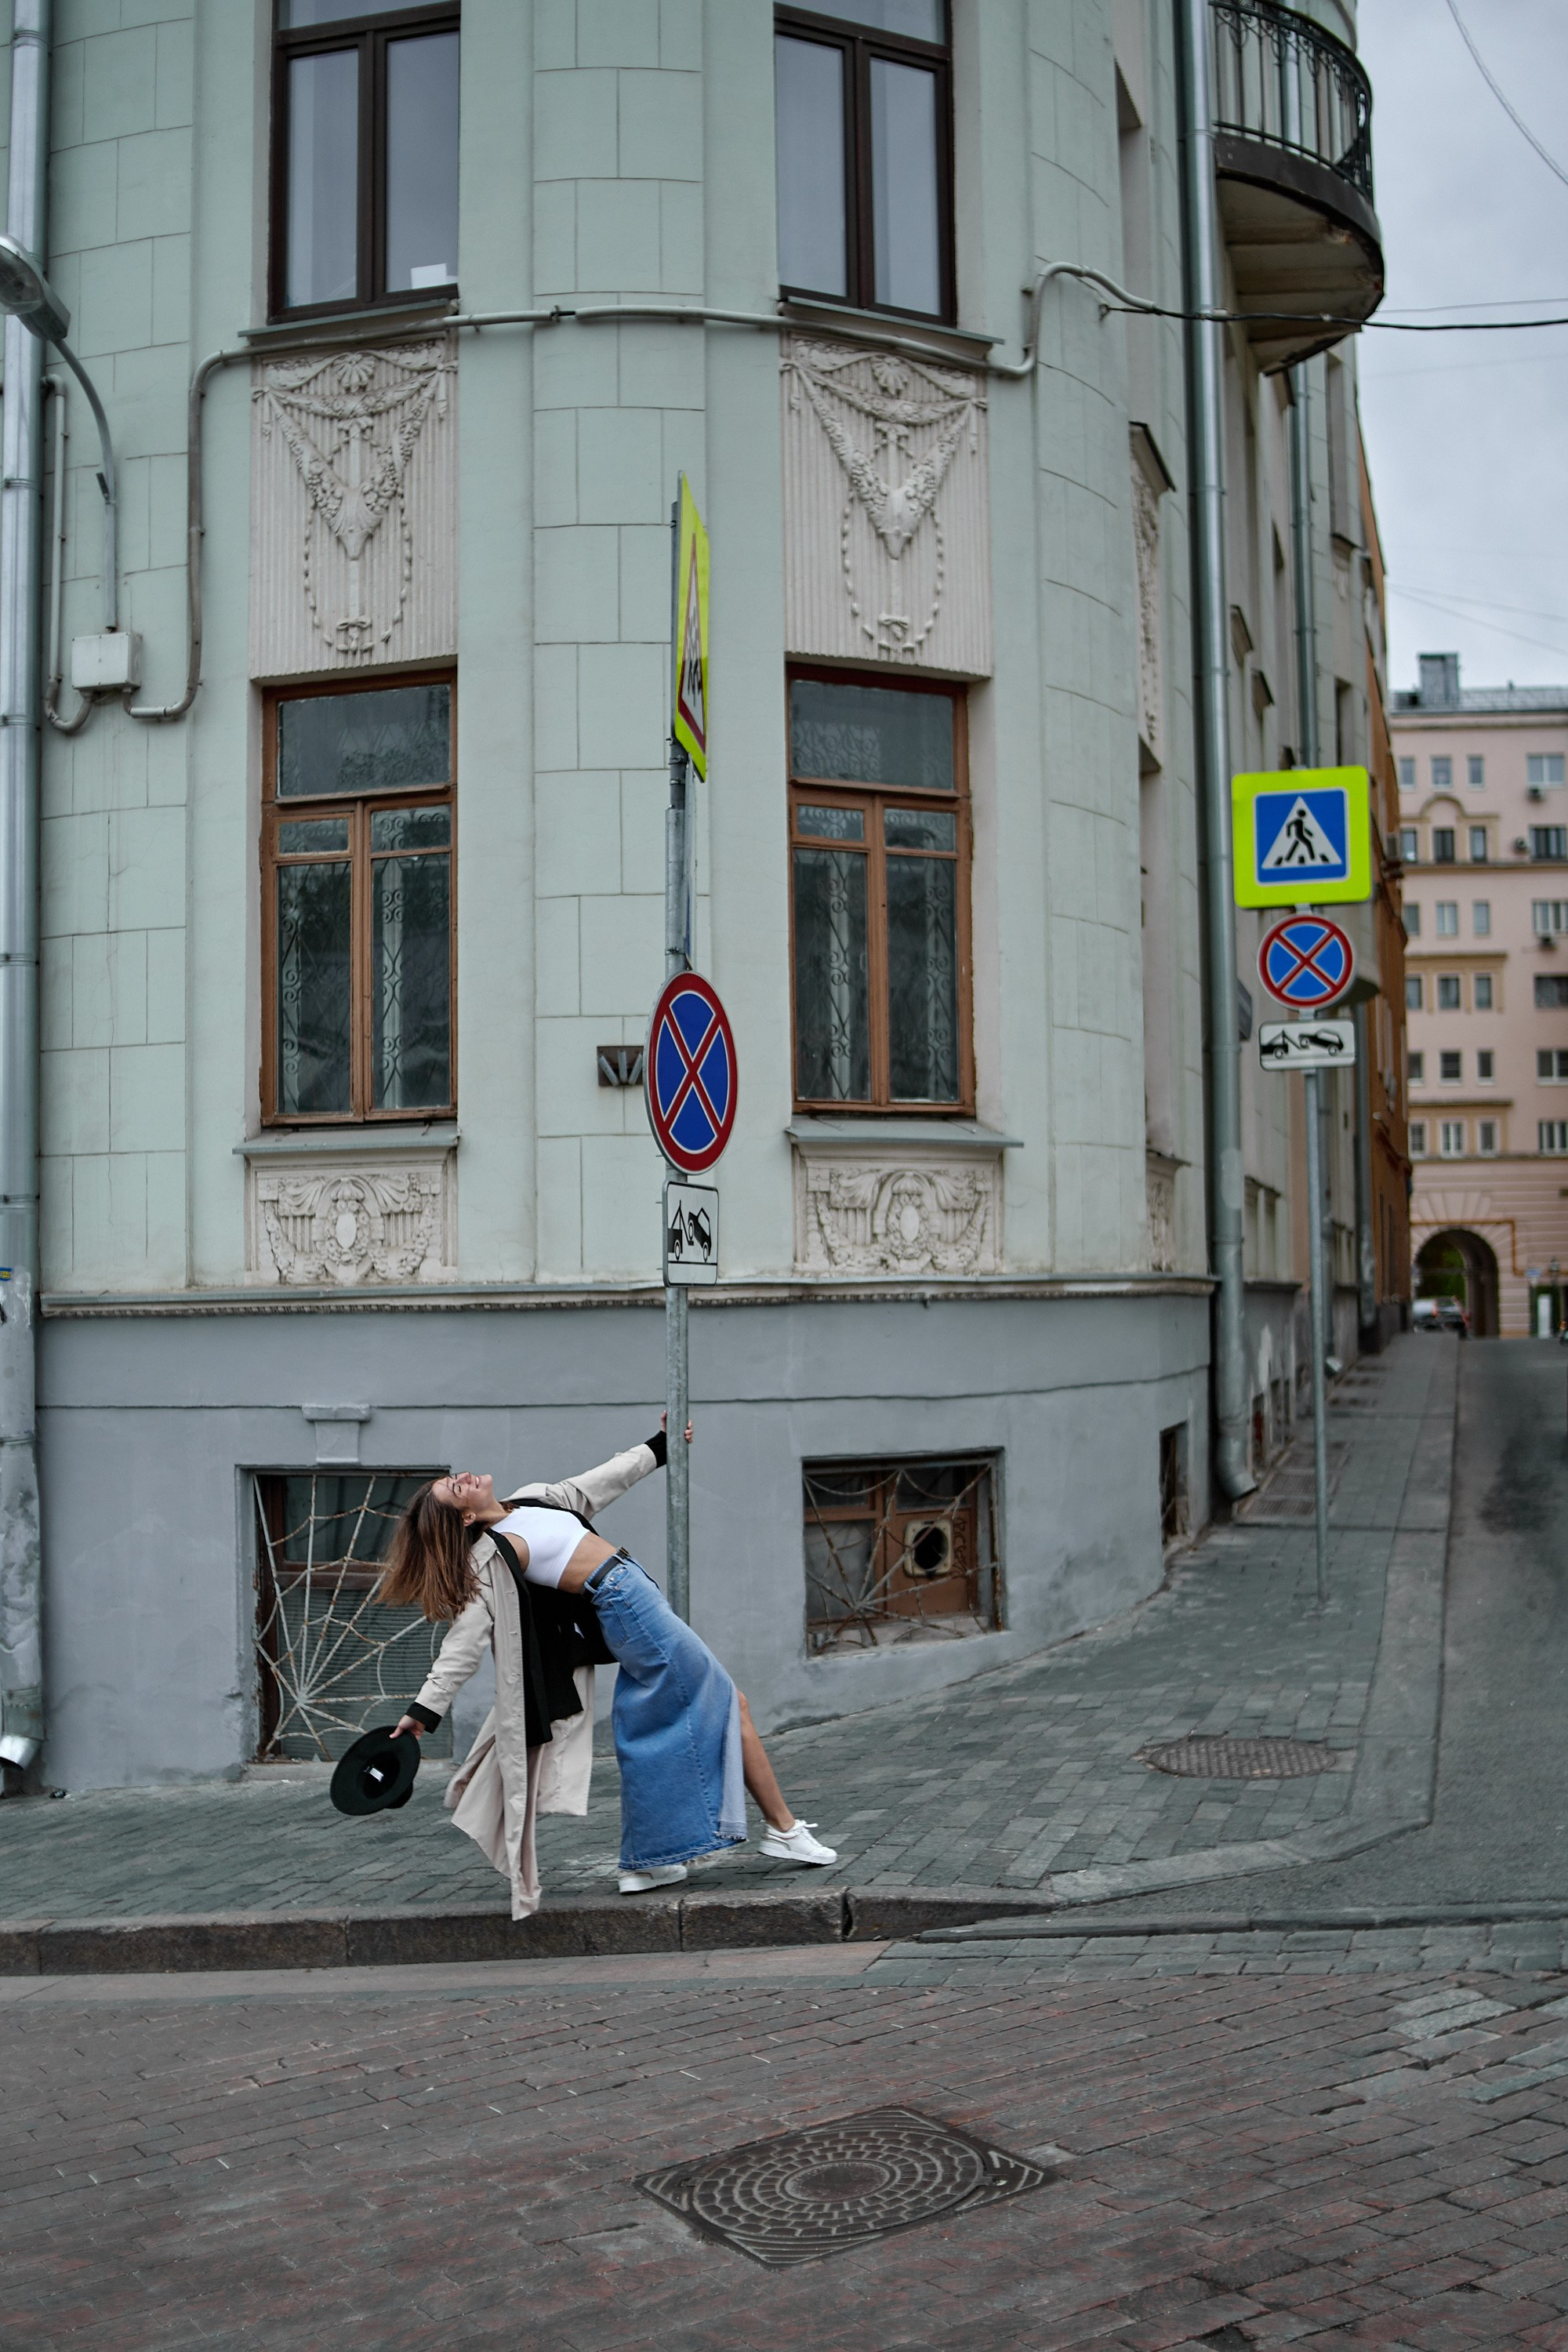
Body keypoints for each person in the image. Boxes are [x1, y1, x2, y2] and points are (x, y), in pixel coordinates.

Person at [380, 1428, 836, 1910]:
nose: (466, 1477)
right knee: (729, 1703)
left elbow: (604, 1479)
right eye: (457, 1488)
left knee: (652, 1727)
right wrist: (424, 1711)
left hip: (632, 1597)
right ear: (466, 1516)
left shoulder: (533, 1500)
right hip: (625, 1604)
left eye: (456, 1477)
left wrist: (661, 1444)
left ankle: (649, 1861)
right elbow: (462, 1645)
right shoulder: (492, 1557)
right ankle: (782, 1830)